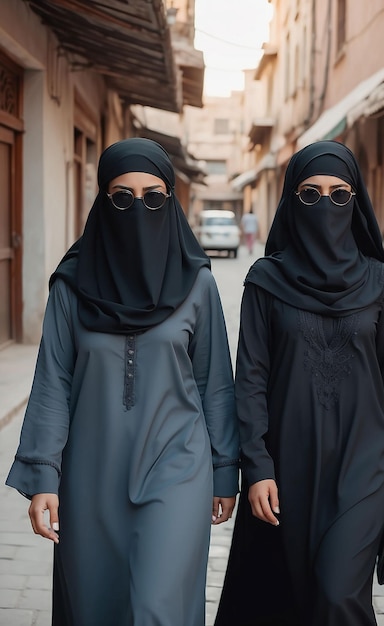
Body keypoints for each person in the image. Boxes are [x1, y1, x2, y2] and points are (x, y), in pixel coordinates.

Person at [6, 137, 239, 626]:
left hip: (178, 470)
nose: (138, 209)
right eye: (121, 197)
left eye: (153, 198)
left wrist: (224, 470)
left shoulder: (197, 284)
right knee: (96, 607)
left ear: (171, 202)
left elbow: (215, 383)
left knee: (158, 609)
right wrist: (44, 473)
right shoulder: (71, 287)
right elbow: (53, 381)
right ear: (102, 202)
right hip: (90, 474)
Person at [214, 140, 384, 626]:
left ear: (356, 201)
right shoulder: (265, 281)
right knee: (285, 597)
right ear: (291, 201)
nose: (325, 205)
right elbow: (250, 379)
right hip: (286, 468)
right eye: (310, 194)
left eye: (338, 193)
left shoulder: (378, 283)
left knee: (336, 595)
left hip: (362, 466)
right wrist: (257, 466)